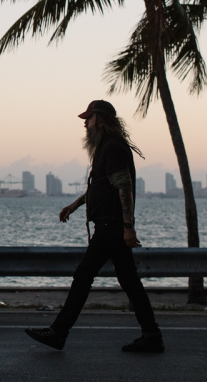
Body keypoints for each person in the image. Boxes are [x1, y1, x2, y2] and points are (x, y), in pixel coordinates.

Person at [25, 100, 164, 353]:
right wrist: (75, 205)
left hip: (111, 227)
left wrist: (128, 227)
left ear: (100, 119)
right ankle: (152, 334)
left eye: (88, 119)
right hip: (110, 225)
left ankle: (58, 332)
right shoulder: (106, 147)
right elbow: (100, 186)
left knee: (83, 276)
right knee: (130, 281)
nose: (85, 124)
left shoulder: (113, 148)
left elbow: (124, 187)